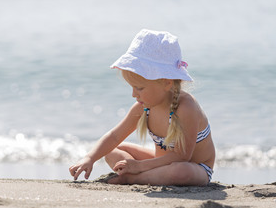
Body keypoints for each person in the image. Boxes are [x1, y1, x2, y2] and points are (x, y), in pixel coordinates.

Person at [69, 29, 215, 186]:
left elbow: (182, 156)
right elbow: (114, 136)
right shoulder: (144, 108)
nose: (133, 94)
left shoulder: (186, 108)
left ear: (166, 82)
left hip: (194, 168)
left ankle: (134, 178)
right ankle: (143, 175)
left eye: (139, 88)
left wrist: (138, 167)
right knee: (111, 151)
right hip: (157, 164)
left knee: (181, 172)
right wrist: (90, 158)